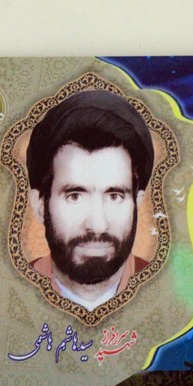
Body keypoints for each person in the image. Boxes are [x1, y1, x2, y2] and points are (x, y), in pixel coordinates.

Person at [25, 90, 154, 311]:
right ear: (40, 205)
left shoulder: (165, 293)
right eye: (75, 196)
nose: (97, 225)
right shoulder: (10, 291)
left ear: (137, 203)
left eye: (114, 196)